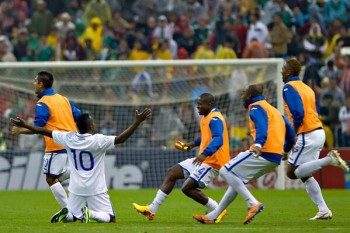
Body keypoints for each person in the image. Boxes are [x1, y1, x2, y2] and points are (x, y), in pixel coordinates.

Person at [10, 108, 152, 223]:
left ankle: (69, 215)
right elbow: (122, 139)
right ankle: (91, 214)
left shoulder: (68, 138)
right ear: (91, 126)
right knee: (111, 218)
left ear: (77, 127)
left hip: (75, 188)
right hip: (96, 188)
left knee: (73, 215)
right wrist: (137, 122)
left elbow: (43, 131)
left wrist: (24, 126)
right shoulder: (98, 140)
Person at [192, 84, 295, 224]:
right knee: (236, 180)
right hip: (275, 156)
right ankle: (213, 215)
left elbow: (261, 127)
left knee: (224, 170)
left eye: (244, 94)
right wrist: (285, 150)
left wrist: (259, 144)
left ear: (250, 96)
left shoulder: (256, 107)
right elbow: (290, 133)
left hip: (262, 151)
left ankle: (252, 203)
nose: (242, 97)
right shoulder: (275, 110)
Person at [132, 93, 230, 222]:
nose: (197, 107)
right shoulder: (207, 117)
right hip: (205, 159)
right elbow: (207, 136)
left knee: (187, 188)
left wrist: (203, 154)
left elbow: (218, 139)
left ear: (210, 104)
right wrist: (191, 144)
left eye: (200, 104)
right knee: (172, 173)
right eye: (197, 104)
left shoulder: (215, 119)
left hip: (213, 162)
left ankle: (218, 210)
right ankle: (151, 210)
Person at [281, 58, 349, 220]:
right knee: (305, 175)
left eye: (284, 68)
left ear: (289, 71)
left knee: (291, 173)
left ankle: (329, 160)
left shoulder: (288, 87)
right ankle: (323, 209)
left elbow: (298, 113)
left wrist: (296, 132)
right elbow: (315, 110)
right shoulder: (307, 88)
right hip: (318, 130)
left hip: (307, 132)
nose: (282, 70)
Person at [11, 71, 81, 221]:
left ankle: (70, 212)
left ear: (41, 84)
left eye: (35, 81)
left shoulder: (43, 103)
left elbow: (38, 128)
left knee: (50, 179)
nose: (33, 83)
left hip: (56, 144)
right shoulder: (64, 99)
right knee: (56, 177)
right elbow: (79, 115)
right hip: (72, 143)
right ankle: (78, 172)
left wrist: (20, 131)